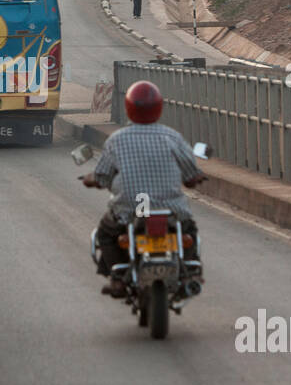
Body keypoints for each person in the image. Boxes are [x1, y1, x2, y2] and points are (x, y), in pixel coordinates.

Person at [81, 81, 206, 297]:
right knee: (188, 230)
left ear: (129, 107)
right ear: (159, 107)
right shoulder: (172, 137)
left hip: (131, 210)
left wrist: (91, 179)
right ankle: (191, 271)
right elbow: (191, 176)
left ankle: (118, 276)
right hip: (170, 211)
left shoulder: (116, 140)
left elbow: (102, 177)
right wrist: (194, 178)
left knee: (105, 233)